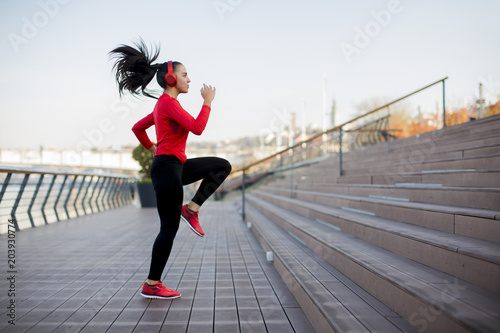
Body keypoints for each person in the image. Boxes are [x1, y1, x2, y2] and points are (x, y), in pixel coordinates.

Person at [109, 39, 231, 300]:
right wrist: (208, 102)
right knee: (168, 229)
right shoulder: (168, 104)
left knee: (222, 166)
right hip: (167, 169)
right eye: (185, 74)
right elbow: (197, 128)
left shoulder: (163, 106)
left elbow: (137, 128)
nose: (189, 79)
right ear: (171, 78)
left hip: (174, 165)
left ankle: (192, 208)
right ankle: (152, 283)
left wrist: (151, 147)